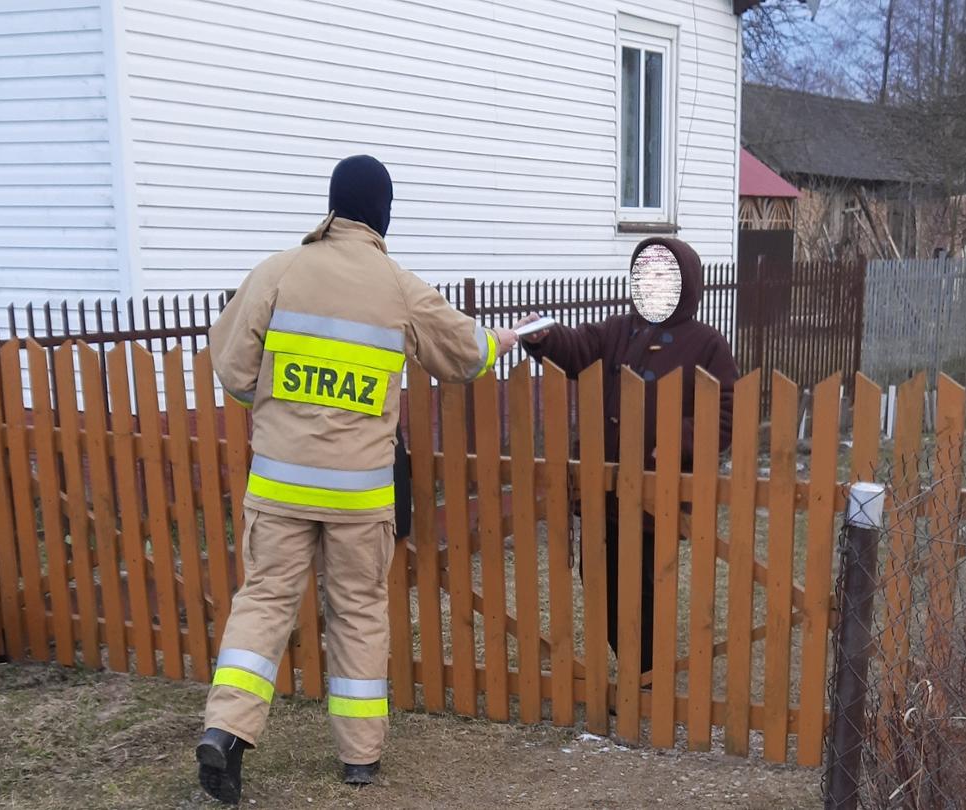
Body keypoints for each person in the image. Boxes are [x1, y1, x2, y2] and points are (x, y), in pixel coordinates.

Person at [197, 155, 518, 804]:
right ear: (383, 213)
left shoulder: (278, 272)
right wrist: (499, 344)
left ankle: (225, 731)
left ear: (333, 205)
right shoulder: (397, 286)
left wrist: (274, 407)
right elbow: (463, 354)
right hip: (360, 496)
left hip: (280, 488)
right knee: (359, 613)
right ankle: (360, 758)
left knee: (263, 604)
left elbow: (231, 367)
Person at [515, 237, 737, 676]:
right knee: (599, 582)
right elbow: (577, 347)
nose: (652, 284)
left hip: (656, 497)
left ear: (685, 284)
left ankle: (647, 678)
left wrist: (672, 443)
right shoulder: (616, 330)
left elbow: (726, 413)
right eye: (645, 276)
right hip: (603, 492)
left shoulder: (707, 344)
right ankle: (633, 670)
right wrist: (545, 335)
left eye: (663, 276)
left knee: (643, 590)